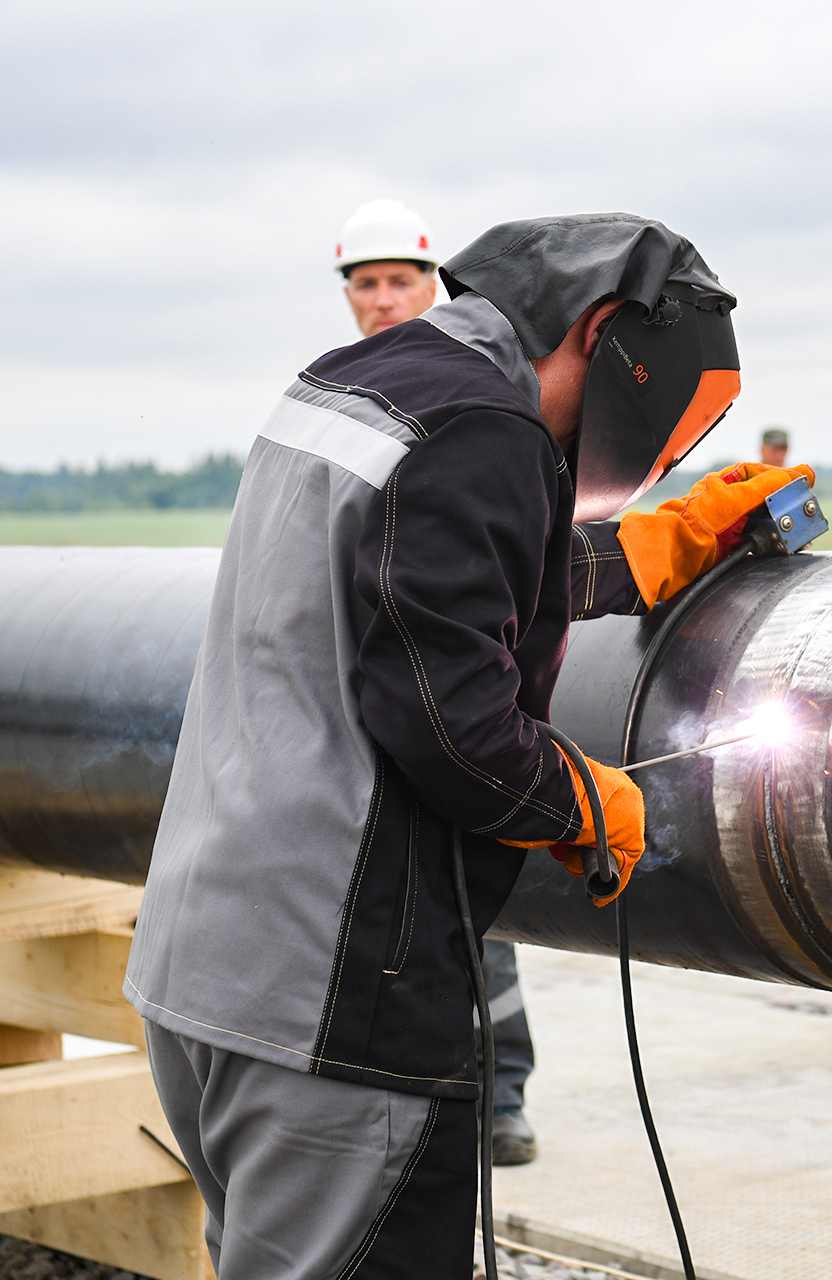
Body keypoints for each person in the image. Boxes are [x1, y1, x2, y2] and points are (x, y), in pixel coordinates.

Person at [125, 212, 810, 1276]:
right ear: (603, 335)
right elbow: (450, 722)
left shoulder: (358, 381)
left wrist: (651, 545)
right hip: (335, 1000)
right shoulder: (483, 427)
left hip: (207, 970)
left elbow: (418, 580)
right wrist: (585, 801)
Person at [331, 197, 545, 1166]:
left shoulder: (476, 399)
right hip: (385, 719)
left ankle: (499, 1096)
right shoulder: (349, 398)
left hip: (454, 700)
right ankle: (447, 1099)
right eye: (363, 284)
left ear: (433, 287)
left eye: (398, 282)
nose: (380, 300)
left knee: (474, 916)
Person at [336, 199, 443, 338]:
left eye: (401, 283)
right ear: (349, 297)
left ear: (431, 292)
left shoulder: (470, 359)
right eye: (366, 285)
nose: (383, 303)